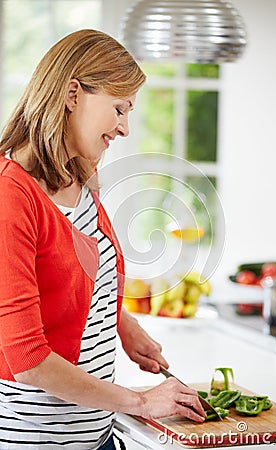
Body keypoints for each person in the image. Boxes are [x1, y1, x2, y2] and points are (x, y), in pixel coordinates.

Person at [0, 29, 205, 449]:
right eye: (119, 108)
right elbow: (28, 360)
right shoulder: (10, 196)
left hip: (98, 435)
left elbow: (72, 282)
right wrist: (142, 402)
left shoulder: (80, 173)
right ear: (72, 93)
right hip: (34, 441)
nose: (125, 127)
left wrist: (122, 324)